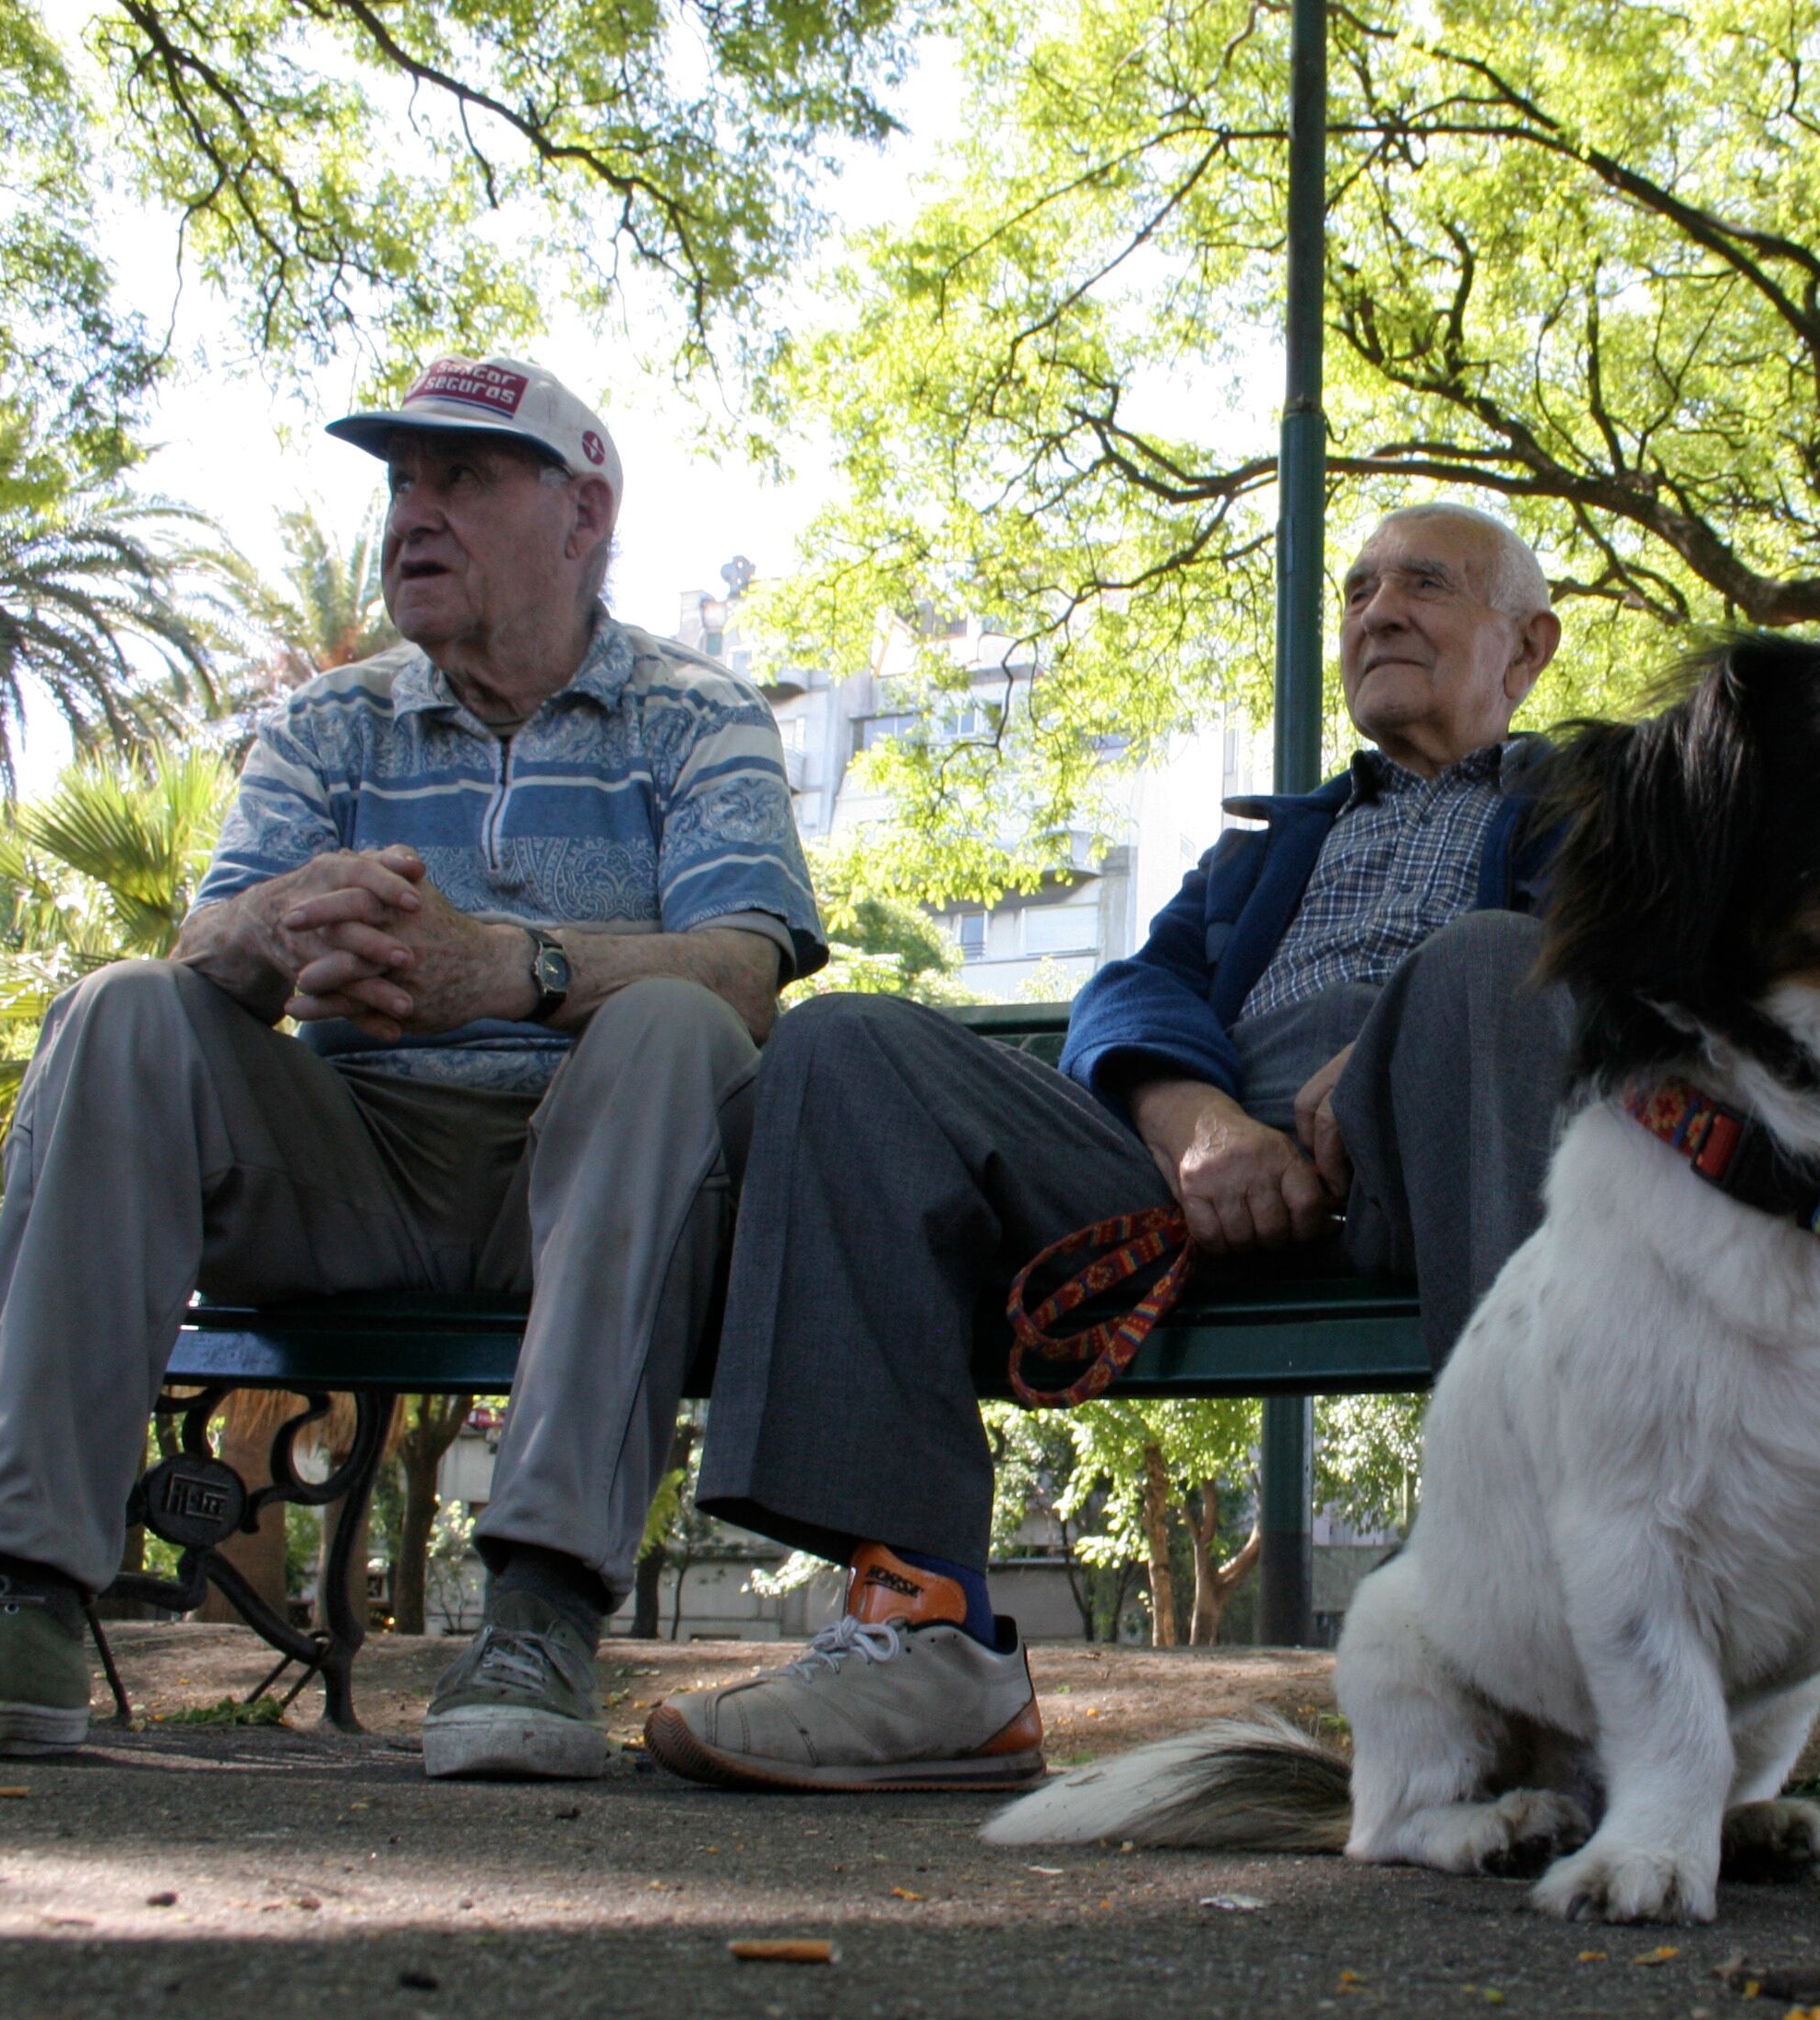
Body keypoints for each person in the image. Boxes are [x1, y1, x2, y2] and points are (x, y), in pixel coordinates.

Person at [0, 355, 826, 1781]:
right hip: (351, 1164)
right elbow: (210, 931)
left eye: (461, 478)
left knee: (673, 1026)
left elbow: (743, 969)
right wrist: (275, 926)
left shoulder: (695, 716)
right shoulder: (334, 722)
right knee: (125, 1009)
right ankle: (15, 1603)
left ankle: (538, 1616)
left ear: (583, 513)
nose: (413, 513)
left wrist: (508, 967)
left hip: (592, 1171)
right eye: (402, 481)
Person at [649, 504, 1570, 1791]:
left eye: (1424, 583)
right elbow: (1135, 992)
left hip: (1446, 1153)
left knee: (1487, 971)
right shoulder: (1265, 848)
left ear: (1527, 648)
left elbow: (1653, 967)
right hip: (1197, 1173)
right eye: (1356, 590)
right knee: (847, 1045)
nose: (1376, 612)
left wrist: (1399, 1045)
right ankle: (926, 1650)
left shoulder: (1603, 799)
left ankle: (1550, 1641)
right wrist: (1194, 1123)